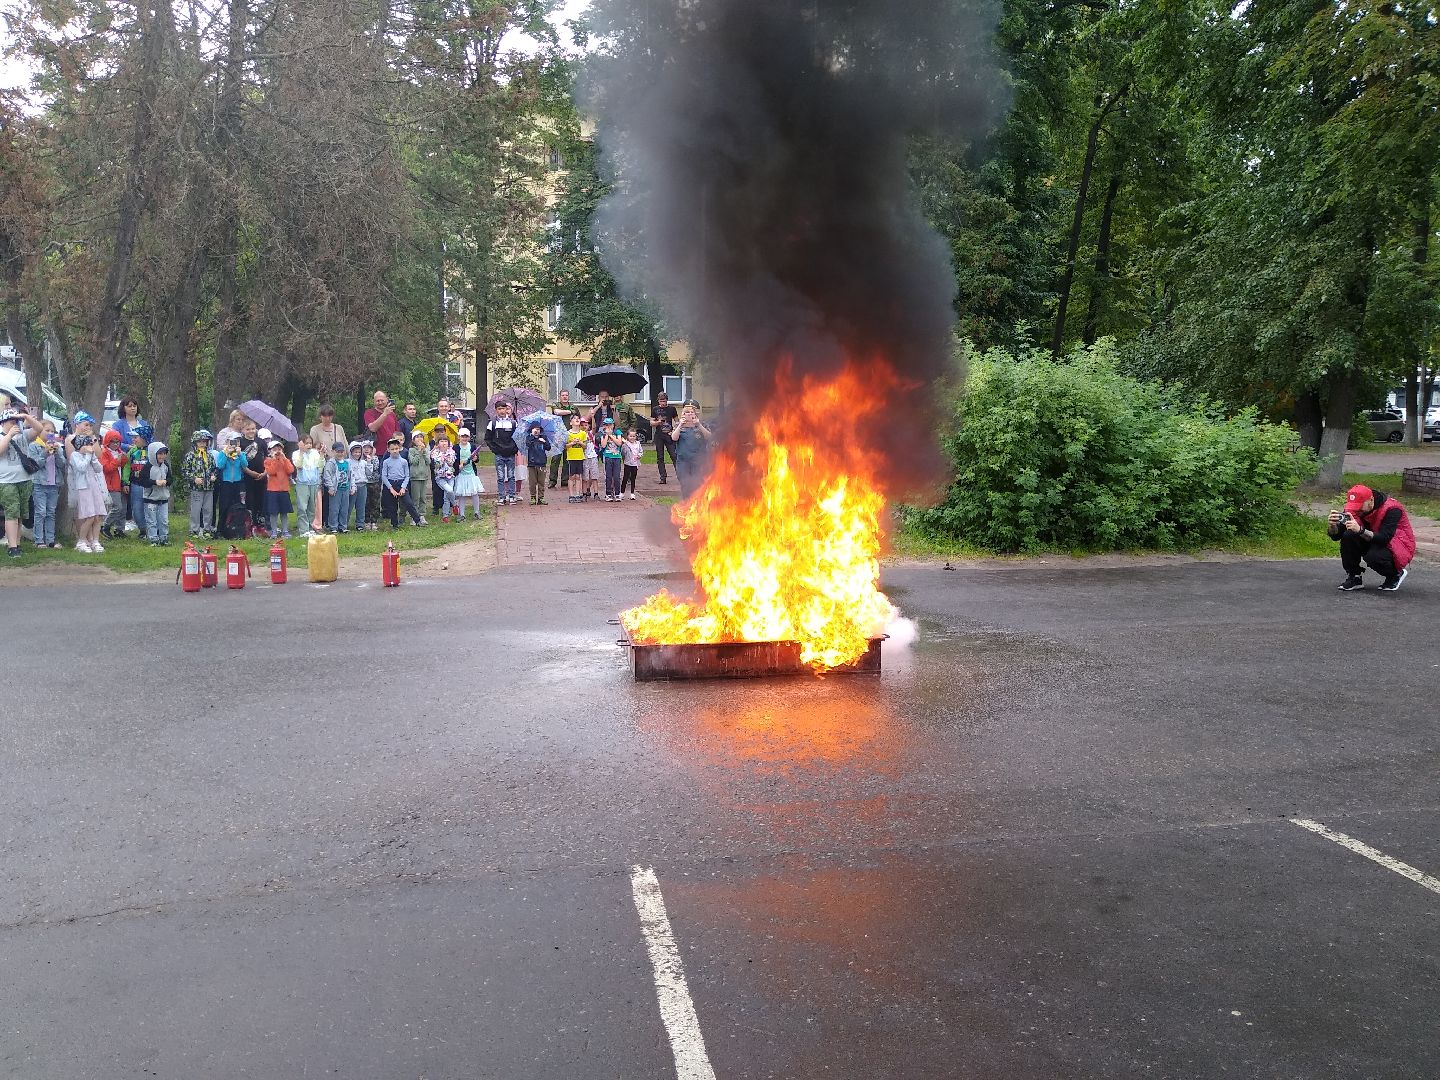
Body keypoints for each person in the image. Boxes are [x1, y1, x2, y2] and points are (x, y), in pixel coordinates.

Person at [1329, 484, 1416, 593]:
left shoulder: (1393, 509)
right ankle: (1354, 576)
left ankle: (1395, 574)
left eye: (1360, 506)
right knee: (1348, 535)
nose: (1356, 510)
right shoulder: (1353, 509)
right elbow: (1336, 536)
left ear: (1371, 500)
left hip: (1397, 545)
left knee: (1372, 557)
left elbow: (1384, 538)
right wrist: (1333, 526)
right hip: (1372, 538)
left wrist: (1360, 530)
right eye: (1354, 506)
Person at [0, 408, 44, 558]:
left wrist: (25, 416)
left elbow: (39, 428)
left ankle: (17, 543)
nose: (15, 424)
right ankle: (12, 547)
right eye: (12, 421)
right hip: (6, 481)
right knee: (11, 513)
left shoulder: (24, 435)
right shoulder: (1, 436)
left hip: (25, 480)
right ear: (3, 423)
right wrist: (9, 435)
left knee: (20, 514)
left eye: (16, 421)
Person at [66, 432, 107, 553]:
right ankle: (82, 541)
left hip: (94, 486)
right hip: (84, 488)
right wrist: (88, 455)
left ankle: (95, 541)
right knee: (90, 516)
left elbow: (99, 469)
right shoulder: (75, 455)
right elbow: (81, 468)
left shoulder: (90, 455)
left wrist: (93, 457)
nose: (90, 447)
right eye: (88, 444)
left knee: (98, 515)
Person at [309, 404, 346, 528]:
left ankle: (335, 520)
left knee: (337, 491)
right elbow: (312, 446)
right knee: (324, 491)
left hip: (338, 462)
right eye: (324, 415)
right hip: (324, 462)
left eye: (330, 415)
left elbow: (345, 444)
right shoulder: (315, 429)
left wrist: (346, 460)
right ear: (320, 416)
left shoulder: (338, 428)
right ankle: (323, 519)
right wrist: (320, 448)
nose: (327, 418)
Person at [30, 421, 66, 549]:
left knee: (51, 512)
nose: (50, 433)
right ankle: (39, 540)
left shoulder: (58, 446)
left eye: (52, 431)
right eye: (47, 430)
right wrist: (45, 452)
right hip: (39, 483)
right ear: (39, 431)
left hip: (54, 484)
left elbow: (62, 465)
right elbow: (35, 465)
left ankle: (50, 540)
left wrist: (56, 453)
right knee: (41, 512)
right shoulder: (34, 446)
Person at [181, 430, 218, 539]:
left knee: (208, 509)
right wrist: (194, 478)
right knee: (196, 509)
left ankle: (207, 529)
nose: (202, 443)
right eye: (199, 441)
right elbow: (185, 471)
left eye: (204, 441)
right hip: (196, 488)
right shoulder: (190, 456)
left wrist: (213, 476)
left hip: (209, 487)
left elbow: (214, 469)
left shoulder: (210, 455)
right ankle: (194, 530)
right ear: (195, 442)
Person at [672, 401, 712, 498]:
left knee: (697, 483)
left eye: (691, 412)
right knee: (685, 483)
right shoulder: (679, 426)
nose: (689, 414)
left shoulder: (702, 424)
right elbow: (674, 438)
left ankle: (696, 503)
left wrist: (698, 425)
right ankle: (686, 504)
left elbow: (709, 437)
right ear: (683, 414)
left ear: (695, 414)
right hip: (683, 461)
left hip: (698, 460)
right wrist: (680, 425)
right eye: (687, 412)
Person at [380, 435, 422, 528]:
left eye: (396, 448)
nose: (395, 451)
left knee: (409, 503)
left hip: (401, 483)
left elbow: (407, 475)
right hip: (390, 484)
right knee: (392, 506)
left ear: (399, 448)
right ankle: (394, 524)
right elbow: (384, 475)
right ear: (388, 450)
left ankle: (417, 521)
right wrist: (390, 488)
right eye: (392, 449)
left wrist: (403, 487)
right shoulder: (386, 462)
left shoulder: (403, 461)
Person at [136, 441, 173, 545]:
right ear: (153, 454)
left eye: (164, 453)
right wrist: (155, 482)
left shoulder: (165, 465)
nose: (162, 456)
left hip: (163, 497)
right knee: (152, 520)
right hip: (150, 499)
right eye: (160, 454)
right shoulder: (148, 466)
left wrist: (166, 482)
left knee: (164, 520)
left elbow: (170, 478)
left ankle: (164, 538)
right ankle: (153, 538)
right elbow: (142, 481)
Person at [485, 401, 520, 505]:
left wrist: (514, 449)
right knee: (500, 477)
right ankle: (501, 496)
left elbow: (518, 438)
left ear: (507, 409)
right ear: (496, 410)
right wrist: (494, 449)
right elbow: (488, 438)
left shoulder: (513, 423)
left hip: (510, 454)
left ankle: (512, 496)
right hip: (499, 454)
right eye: (499, 409)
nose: (501, 411)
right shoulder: (493, 423)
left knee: (511, 476)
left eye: (503, 408)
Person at [214, 434, 248, 534]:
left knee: (237, 506)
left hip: (237, 483)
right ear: (227, 442)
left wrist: (240, 454)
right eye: (231, 442)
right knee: (224, 506)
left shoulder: (241, 454)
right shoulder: (222, 453)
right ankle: (221, 529)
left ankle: (235, 527)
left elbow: (245, 465)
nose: (234, 444)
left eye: (236, 441)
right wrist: (226, 454)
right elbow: (220, 465)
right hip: (226, 483)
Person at [263, 440, 297, 539]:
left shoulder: (285, 460)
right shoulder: (267, 460)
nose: (277, 451)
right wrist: (274, 459)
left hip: (284, 489)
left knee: (284, 512)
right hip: (273, 490)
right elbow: (271, 472)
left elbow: (290, 470)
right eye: (274, 449)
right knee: (273, 512)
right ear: (269, 450)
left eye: (279, 449)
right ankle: (274, 531)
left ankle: (285, 530)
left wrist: (284, 459)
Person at [238, 420, 267, 534]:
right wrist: (250, 472)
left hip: (262, 475)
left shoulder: (261, 442)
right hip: (247, 476)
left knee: (261, 500)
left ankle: (261, 524)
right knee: (250, 500)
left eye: (253, 429)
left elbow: (267, 458)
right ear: (243, 430)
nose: (251, 431)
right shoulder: (240, 442)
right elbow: (240, 462)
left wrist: (265, 472)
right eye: (248, 429)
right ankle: (250, 524)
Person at [291, 435, 324, 536]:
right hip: (302, 483)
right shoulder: (296, 453)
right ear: (300, 443)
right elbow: (298, 465)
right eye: (306, 443)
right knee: (302, 507)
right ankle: (303, 530)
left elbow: (320, 466)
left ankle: (310, 528)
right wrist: (301, 452)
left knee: (312, 507)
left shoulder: (314, 452)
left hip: (313, 483)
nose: (308, 445)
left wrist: (322, 455)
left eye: (310, 443)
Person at [125, 425, 154, 531]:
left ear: (143, 437)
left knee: (151, 508)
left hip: (150, 484)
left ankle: (152, 529)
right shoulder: (132, 451)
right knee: (136, 509)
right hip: (136, 484)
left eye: (135, 437)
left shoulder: (152, 451)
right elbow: (127, 467)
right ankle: (142, 529)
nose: (133, 440)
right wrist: (125, 482)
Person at [452, 428, 484, 520]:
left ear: (469, 437)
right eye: (462, 436)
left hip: (471, 473)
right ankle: (462, 514)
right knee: (461, 494)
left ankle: (477, 512)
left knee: (474, 493)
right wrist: (458, 466)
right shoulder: (456, 447)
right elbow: (454, 460)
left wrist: (475, 459)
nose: (464, 438)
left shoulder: (472, 446)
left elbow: (477, 459)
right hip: (461, 474)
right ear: (459, 437)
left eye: (466, 436)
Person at [99, 430, 127, 539]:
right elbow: (107, 469)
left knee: (122, 508)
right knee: (117, 507)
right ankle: (105, 526)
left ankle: (118, 529)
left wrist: (123, 458)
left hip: (118, 483)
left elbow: (123, 465)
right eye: (113, 442)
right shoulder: (104, 452)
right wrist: (117, 460)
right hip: (110, 484)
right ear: (107, 442)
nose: (116, 444)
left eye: (118, 442)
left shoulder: (119, 451)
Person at [548, 390, 577, 489]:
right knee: (555, 459)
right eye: (563, 395)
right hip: (558, 436)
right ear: (559, 396)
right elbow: (557, 412)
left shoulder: (573, 405)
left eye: (566, 395)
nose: (565, 397)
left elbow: (578, 417)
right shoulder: (555, 404)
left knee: (567, 459)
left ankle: (565, 480)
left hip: (570, 435)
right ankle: (552, 480)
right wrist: (570, 412)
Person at [650, 392, 679, 484]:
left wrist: (674, 430)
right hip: (659, 435)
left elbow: (677, 421)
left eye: (664, 401)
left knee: (674, 456)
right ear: (658, 401)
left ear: (667, 400)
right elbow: (651, 422)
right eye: (661, 401)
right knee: (660, 457)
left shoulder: (672, 409)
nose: (663, 403)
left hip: (669, 435)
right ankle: (663, 477)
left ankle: (680, 475)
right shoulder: (655, 409)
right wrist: (658, 422)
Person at [323, 442, 351, 533]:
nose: (340, 453)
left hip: (345, 488)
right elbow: (327, 475)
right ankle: (333, 526)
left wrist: (352, 486)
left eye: (342, 451)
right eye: (338, 451)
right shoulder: (331, 463)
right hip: (336, 489)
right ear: (333, 451)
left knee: (344, 508)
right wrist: (330, 487)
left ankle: (343, 526)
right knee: (334, 509)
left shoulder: (347, 462)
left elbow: (350, 475)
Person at [363, 391, 400, 456]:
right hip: (377, 453)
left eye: (382, 400)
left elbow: (397, 432)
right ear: (374, 402)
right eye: (377, 401)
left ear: (387, 400)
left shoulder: (392, 414)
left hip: (392, 452)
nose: (380, 403)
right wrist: (384, 414)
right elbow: (372, 428)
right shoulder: (369, 413)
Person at [430, 435, 456, 521]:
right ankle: (455, 505)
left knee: (446, 496)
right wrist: (441, 457)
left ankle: (445, 515)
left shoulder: (451, 451)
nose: (444, 443)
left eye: (445, 441)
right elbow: (437, 465)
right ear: (438, 443)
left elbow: (451, 463)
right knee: (449, 490)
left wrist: (446, 457)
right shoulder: (435, 452)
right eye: (441, 441)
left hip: (450, 476)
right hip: (440, 477)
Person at [406, 432, 431, 523]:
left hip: (424, 476)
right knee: (415, 497)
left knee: (423, 497)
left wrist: (424, 452)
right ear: (413, 440)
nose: (419, 439)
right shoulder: (411, 450)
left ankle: (422, 515)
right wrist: (419, 452)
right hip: (415, 477)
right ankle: (414, 516)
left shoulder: (425, 450)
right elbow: (413, 461)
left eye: (421, 437)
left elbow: (428, 462)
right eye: (417, 437)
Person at [523, 422, 550, 505]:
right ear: (531, 430)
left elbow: (548, 447)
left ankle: (541, 497)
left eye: (538, 429)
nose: (537, 431)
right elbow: (527, 444)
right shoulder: (529, 438)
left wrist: (544, 441)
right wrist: (532, 437)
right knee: (532, 482)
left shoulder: (543, 437)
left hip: (542, 463)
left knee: (541, 482)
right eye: (535, 429)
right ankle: (533, 497)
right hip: (532, 463)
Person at [563, 415, 588, 503]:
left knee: (578, 476)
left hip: (580, 457)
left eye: (578, 419)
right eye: (574, 418)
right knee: (571, 476)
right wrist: (572, 443)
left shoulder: (583, 433)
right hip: (571, 457)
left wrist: (580, 442)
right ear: (571, 423)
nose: (576, 420)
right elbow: (565, 446)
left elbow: (585, 446)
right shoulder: (567, 433)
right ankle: (571, 495)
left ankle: (578, 494)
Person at [599, 417, 625, 501]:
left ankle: (617, 493)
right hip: (608, 457)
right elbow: (603, 445)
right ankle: (608, 494)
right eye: (606, 425)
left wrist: (611, 435)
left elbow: (619, 443)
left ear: (613, 425)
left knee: (617, 476)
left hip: (617, 457)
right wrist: (607, 435)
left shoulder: (617, 432)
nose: (608, 426)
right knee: (608, 476)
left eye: (610, 424)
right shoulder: (602, 434)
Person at [361, 441, 382, 529]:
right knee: (366, 503)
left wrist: (371, 458)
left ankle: (374, 521)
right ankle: (366, 520)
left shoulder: (375, 458)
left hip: (375, 483)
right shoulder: (360, 459)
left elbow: (375, 468)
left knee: (375, 503)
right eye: (364, 447)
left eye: (369, 447)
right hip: (365, 483)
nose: (366, 449)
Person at [581, 418, 601, 500]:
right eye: (582, 425)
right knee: (585, 477)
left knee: (594, 476)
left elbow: (594, 428)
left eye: (586, 425)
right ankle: (584, 493)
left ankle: (596, 493)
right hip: (584, 457)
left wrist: (593, 417)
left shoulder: (590, 434)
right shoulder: (580, 435)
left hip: (593, 457)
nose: (584, 427)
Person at [621, 427, 642, 500]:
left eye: (634, 436)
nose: (632, 438)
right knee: (625, 478)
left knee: (633, 478)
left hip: (635, 464)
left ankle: (632, 493)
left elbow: (641, 452)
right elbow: (623, 453)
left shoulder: (638, 444)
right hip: (628, 463)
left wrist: (639, 455)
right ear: (628, 436)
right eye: (631, 436)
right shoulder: (625, 444)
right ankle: (622, 493)